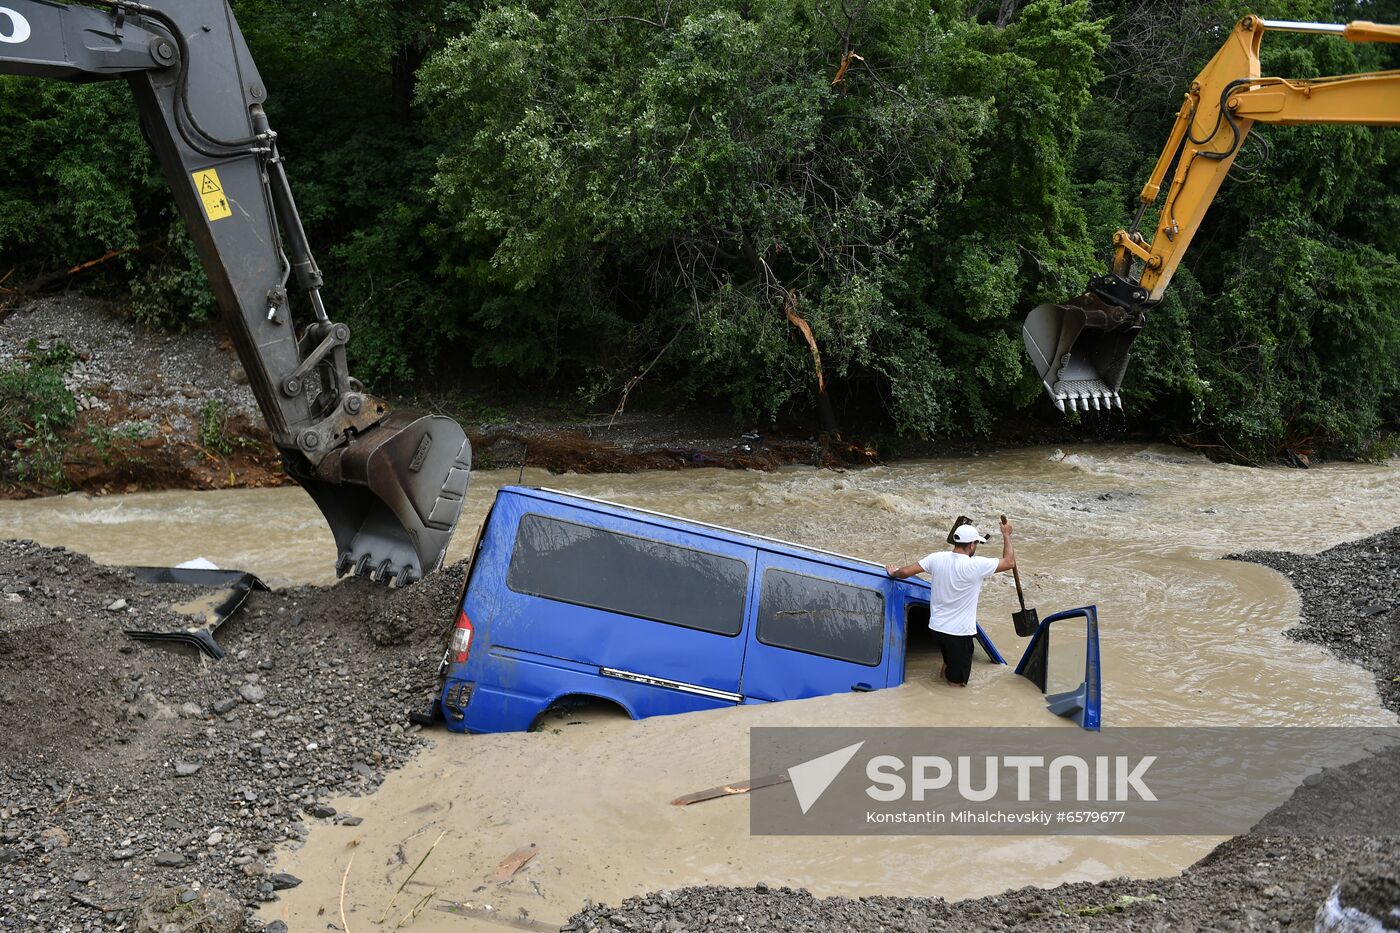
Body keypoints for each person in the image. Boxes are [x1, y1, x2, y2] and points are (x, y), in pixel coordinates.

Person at [885, 516, 1016, 687]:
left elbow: (905, 572)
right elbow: (1009, 562)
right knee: (957, 687)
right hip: (959, 634)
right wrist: (1006, 535)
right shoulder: (976, 565)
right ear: (971, 545)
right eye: (976, 543)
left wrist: (893, 572)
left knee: (948, 663)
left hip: (936, 629)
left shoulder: (936, 558)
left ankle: (943, 686)